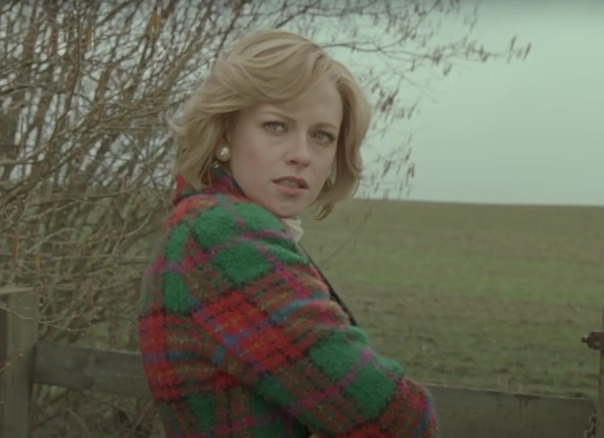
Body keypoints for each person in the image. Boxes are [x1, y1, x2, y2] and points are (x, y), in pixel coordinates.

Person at [137, 29, 438, 437]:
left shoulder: (205, 221)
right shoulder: (221, 234)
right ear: (227, 131)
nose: (302, 154)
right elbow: (394, 419)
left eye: (322, 136)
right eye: (276, 126)